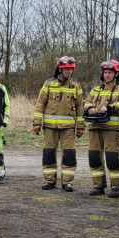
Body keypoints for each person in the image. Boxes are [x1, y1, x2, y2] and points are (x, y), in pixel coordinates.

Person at [32, 55, 85, 191]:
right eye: (66, 69)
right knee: (49, 154)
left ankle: (67, 182)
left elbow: (80, 107)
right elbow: (40, 104)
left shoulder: (76, 86)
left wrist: (80, 126)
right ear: (60, 69)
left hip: (68, 129)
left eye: (71, 69)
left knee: (69, 155)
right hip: (50, 128)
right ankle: (49, 181)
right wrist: (37, 122)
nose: (69, 72)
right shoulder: (48, 84)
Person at [83, 60, 119, 197]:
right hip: (94, 128)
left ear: (116, 74)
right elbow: (86, 102)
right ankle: (98, 186)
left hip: (111, 129)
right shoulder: (96, 89)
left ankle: (116, 187)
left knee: (112, 158)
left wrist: (110, 108)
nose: (107, 75)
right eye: (105, 72)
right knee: (94, 158)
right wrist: (90, 108)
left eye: (110, 72)